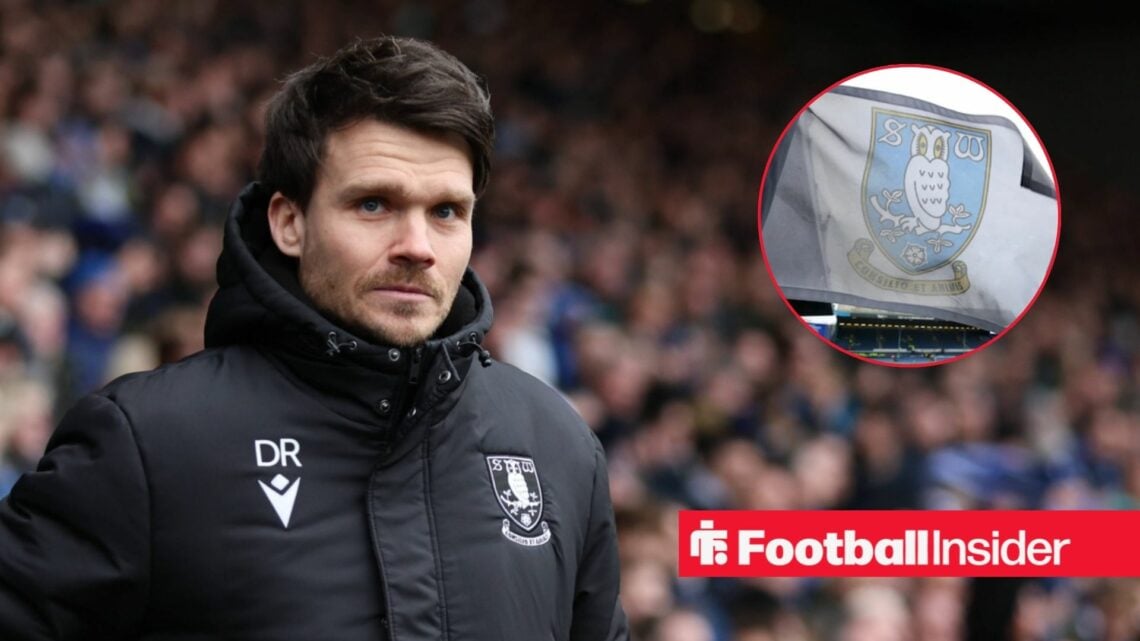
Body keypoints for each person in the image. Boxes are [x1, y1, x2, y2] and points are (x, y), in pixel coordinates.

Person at [0, 36, 629, 641]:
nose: (418, 247)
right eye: (375, 204)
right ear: (289, 222)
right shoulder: (146, 443)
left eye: (446, 212)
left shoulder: (559, 447)